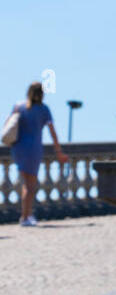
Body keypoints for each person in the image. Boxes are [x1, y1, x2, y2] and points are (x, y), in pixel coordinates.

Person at [9, 81, 67, 226]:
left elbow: (9, 126)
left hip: (18, 148)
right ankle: (26, 216)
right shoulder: (43, 109)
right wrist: (58, 151)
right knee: (30, 185)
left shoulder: (18, 107)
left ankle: (26, 215)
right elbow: (52, 132)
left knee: (25, 184)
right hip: (33, 149)